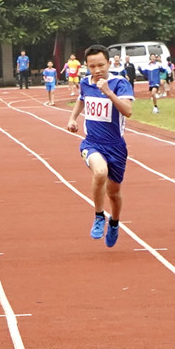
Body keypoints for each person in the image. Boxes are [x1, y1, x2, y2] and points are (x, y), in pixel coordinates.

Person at [67, 45, 134, 248]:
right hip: (92, 143)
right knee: (100, 173)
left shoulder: (120, 83)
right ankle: (98, 216)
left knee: (114, 192)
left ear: (109, 63)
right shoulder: (86, 83)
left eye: (100, 65)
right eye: (92, 66)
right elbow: (81, 100)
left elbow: (128, 111)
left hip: (116, 146)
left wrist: (108, 93)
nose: (96, 70)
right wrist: (72, 119)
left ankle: (114, 222)